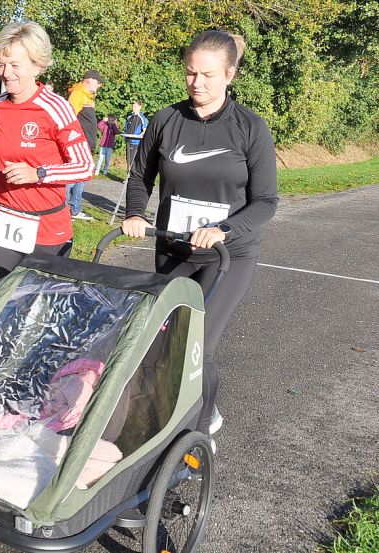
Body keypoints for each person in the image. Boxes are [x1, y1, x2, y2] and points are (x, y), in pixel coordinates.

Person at [121, 30, 277, 437]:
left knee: (197, 344)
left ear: (230, 74)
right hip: (174, 250)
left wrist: (223, 228)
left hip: (228, 257)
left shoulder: (250, 128)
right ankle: (156, 420)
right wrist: (136, 212)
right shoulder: (166, 120)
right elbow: (140, 175)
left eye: (208, 75)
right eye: (191, 73)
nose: (197, 83)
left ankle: (204, 427)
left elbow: (265, 202)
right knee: (159, 343)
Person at [0, 21, 94, 311]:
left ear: (38, 66)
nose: (6, 73)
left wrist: (38, 173)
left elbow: (85, 166)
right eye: (1, 64)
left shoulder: (56, 107)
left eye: (15, 65)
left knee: (35, 317)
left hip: (47, 226)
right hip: (5, 219)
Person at [66, 69, 103, 221]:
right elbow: (68, 117)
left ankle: (75, 209)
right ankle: (61, 208)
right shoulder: (78, 93)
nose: (99, 86)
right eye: (98, 82)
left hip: (87, 144)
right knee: (73, 177)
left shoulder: (88, 97)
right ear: (89, 80)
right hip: (79, 144)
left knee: (82, 176)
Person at [123, 100, 149, 168]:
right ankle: (128, 176)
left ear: (139, 107)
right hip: (128, 141)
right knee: (128, 159)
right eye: (133, 106)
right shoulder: (129, 117)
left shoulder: (141, 118)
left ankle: (130, 177)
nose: (133, 108)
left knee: (132, 160)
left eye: (135, 106)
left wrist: (140, 136)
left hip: (135, 142)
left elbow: (145, 130)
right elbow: (126, 128)